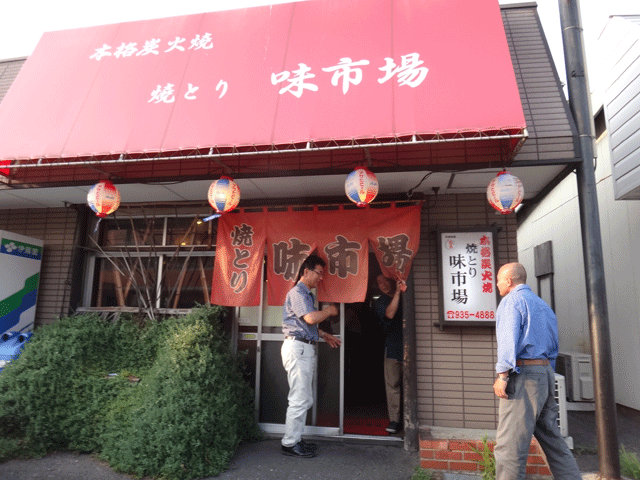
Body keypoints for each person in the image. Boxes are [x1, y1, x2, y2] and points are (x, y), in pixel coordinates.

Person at [493, 263, 582, 480]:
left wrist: (503, 376)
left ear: (508, 281)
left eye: (498, 279)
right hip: (545, 375)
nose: (496, 284)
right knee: (553, 441)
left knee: (510, 447)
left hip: (523, 377)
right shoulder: (543, 306)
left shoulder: (511, 301)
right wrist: (547, 375)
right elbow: (553, 348)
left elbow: (508, 342)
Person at [281, 254, 341, 458]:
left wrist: (324, 335)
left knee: (304, 398)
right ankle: (289, 443)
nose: (321, 278)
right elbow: (310, 318)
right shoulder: (298, 292)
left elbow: (305, 325)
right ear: (306, 271)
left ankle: (295, 438)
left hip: (302, 347)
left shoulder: (306, 294)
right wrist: (330, 310)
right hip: (297, 349)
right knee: (299, 398)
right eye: (319, 273)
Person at [373, 274, 406, 435]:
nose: (383, 284)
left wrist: (400, 291)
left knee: (409, 386)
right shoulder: (380, 302)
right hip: (392, 348)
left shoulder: (406, 294)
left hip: (408, 349)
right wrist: (398, 294)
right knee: (393, 386)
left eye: (385, 280)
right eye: (379, 282)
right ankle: (395, 420)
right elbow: (390, 314)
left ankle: (408, 419)